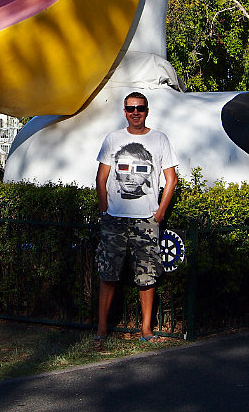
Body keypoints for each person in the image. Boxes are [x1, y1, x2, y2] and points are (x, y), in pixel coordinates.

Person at [94, 91, 177, 347]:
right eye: (130, 108)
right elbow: (101, 177)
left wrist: (160, 212)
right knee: (108, 274)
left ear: (147, 111)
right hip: (115, 219)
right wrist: (105, 209)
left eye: (140, 108)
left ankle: (146, 328)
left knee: (147, 276)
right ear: (124, 111)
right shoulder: (113, 139)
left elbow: (171, 179)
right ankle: (101, 329)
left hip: (146, 220)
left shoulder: (160, 139)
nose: (135, 112)